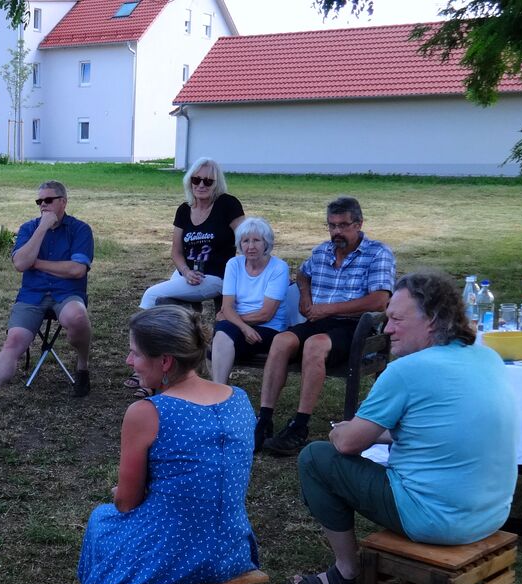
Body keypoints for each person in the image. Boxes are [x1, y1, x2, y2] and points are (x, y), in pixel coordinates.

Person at [291, 272, 518, 584]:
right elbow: (442, 429)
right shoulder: (487, 357)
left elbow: (348, 443)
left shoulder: (406, 371)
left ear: (433, 321)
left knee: (315, 458)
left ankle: (346, 573)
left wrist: (342, 431)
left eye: (396, 319)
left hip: (436, 520)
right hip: (491, 514)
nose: (386, 330)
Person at [60, 305, 260, 584]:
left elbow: (126, 502)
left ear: (165, 361)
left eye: (135, 353)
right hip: (232, 552)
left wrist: (122, 495)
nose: (129, 360)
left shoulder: (148, 412)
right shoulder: (240, 400)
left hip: (175, 558)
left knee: (104, 520)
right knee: (177, 521)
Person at [257, 196, 395, 456]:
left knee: (315, 344)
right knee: (281, 340)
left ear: (359, 224)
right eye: (332, 226)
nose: (337, 232)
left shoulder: (377, 253)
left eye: (343, 225)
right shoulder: (322, 251)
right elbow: (302, 273)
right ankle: (264, 420)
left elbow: (379, 300)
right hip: (319, 320)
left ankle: (299, 425)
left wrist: (326, 309)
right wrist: (306, 296)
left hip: (356, 326)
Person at [0, 180, 94, 412]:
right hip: (32, 295)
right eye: (39, 201)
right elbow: (21, 264)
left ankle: (82, 366)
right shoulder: (29, 229)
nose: (43, 205)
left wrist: (37, 263)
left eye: (48, 200)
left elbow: (77, 270)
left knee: (78, 317)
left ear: (63, 202)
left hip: (67, 293)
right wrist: (43, 228)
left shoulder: (80, 229)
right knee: (14, 341)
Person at [137, 157, 246, 309]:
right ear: (189, 181)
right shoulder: (184, 209)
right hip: (187, 271)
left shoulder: (227, 204)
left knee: (151, 295)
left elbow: (246, 238)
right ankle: (171, 329)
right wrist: (186, 271)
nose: (201, 185)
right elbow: (176, 251)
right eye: (196, 180)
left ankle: (139, 333)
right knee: (165, 302)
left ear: (217, 184)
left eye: (208, 181)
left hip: (216, 276)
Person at [211, 217, 291, 385]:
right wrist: (244, 328)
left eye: (256, 240)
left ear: (266, 243)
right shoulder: (234, 264)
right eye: (245, 241)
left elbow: (266, 314)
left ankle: (218, 393)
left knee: (222, 330)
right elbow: (227, 306)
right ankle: (220, 392)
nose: (251, 246)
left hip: (269, 329)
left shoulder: (279, 267)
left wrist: (231, 317)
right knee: (221, 334)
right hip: (242, 328)